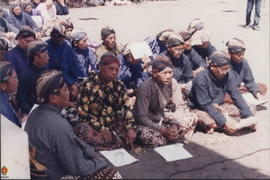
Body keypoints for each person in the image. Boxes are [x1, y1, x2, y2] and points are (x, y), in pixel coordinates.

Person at [25, 70, 122, 179]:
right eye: (66, 89)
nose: (69, 92)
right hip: (52, 176)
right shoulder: (58, 125)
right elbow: (78, 167)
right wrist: (101, 161)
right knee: (113, 175)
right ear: (53, 97)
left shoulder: (35, 113)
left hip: (37, 172)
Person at [75, 54, 137, 150]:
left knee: (134, 133)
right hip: (94, 125)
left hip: (113, 124)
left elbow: (126, 108)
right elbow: (83, 113)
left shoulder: (119, 85)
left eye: (117, 70)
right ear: (100, 67)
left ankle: (112, 143)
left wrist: (129, 128)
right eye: (111, 69)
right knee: (84, 131)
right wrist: (102, 129)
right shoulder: (87, 85)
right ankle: (109, 144)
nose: (114, 72)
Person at [134, 58, 197, 147]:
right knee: (153, 138)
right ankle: (170, 136)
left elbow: (179, 106)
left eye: (170, 72)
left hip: (162, 117)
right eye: (164, 73)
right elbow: (141, 117)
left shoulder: (173, 83)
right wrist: (162, 129)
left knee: (192, 117)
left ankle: (172, 134)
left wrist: (175, 125)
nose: (168, 76)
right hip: (148, 121)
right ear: (154, 74)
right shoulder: (145, 88)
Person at [189, 51, 255, 135]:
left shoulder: (228, 75)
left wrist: (250, 117)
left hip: (219, 106)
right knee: (205, 119)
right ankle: (219, 125)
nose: (225, 72)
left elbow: (236, 95)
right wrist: (224, 122)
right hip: (201, 108)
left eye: (227, 68)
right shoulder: (201, 79)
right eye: (222, 69)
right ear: (212, 66)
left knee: (250, 109)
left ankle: (220, 125)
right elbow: (205, 105)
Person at [224, 38, 267, 104]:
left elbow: (250, 81)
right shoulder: (223, 63)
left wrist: (257, 93)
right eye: (239, 55)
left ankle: (247, 99)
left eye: (243, 54)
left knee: (262, 87)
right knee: (227, 98)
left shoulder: (243, 62)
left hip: (238, 89)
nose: (241, 57)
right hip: (227, 91)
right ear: (230, 54)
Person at [46, 24, 79, 98]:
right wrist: (70, 83)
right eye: (58, 38)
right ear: (52, 36)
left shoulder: (67, 45)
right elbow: (52, 71)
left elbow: (74, 65)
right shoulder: (46, 47)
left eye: (62, 38)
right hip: (55, 80)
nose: (61, 41)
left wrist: (75, 82)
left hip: (70, 77)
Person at [17, 40, 49, 114]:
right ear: (36, 57)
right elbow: (22, 101)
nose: (48, 58)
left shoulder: (46, 70)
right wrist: (35, 114)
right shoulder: (24, 75)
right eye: (45, 55)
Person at [0, 61, 21, 127]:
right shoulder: (3, 110)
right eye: (14, 78)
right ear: (3, 85)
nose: (17, 81)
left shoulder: (4, 97)